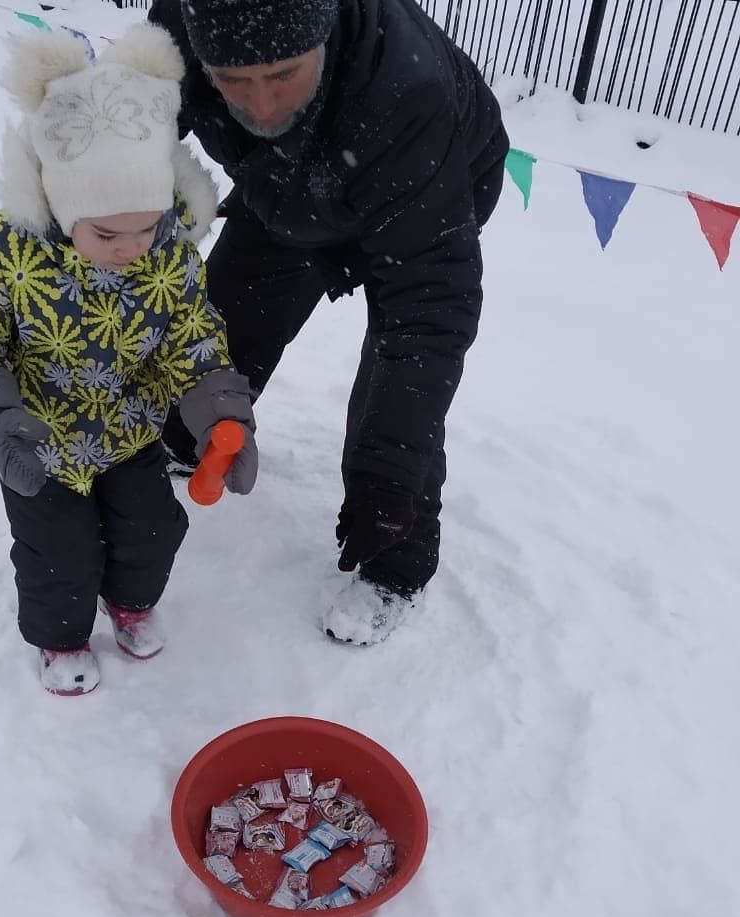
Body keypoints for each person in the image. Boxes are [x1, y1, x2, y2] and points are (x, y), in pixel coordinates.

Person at [148, 0, 509, 646]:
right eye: (231, 79)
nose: (259, 106)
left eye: (283, 73)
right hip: (285, 183)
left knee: (392, 401)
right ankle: (187, 434)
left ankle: (396, 561)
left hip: (425, 187)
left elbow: (427, 312)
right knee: (228, 312)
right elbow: (130, 129)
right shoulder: (178, 29)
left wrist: (386, 471)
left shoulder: (406, 93)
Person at [0, 24, 258, 695]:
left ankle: (131, 602)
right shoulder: (7, 250)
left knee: (152, 532)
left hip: (130, 431)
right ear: (60, 203)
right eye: (107, 232)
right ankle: (63, 637)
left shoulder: (167, 251)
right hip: (38, 443)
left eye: (147, 225)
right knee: (58, 554)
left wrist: (221, 416)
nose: (131, 246)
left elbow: (192, 338)